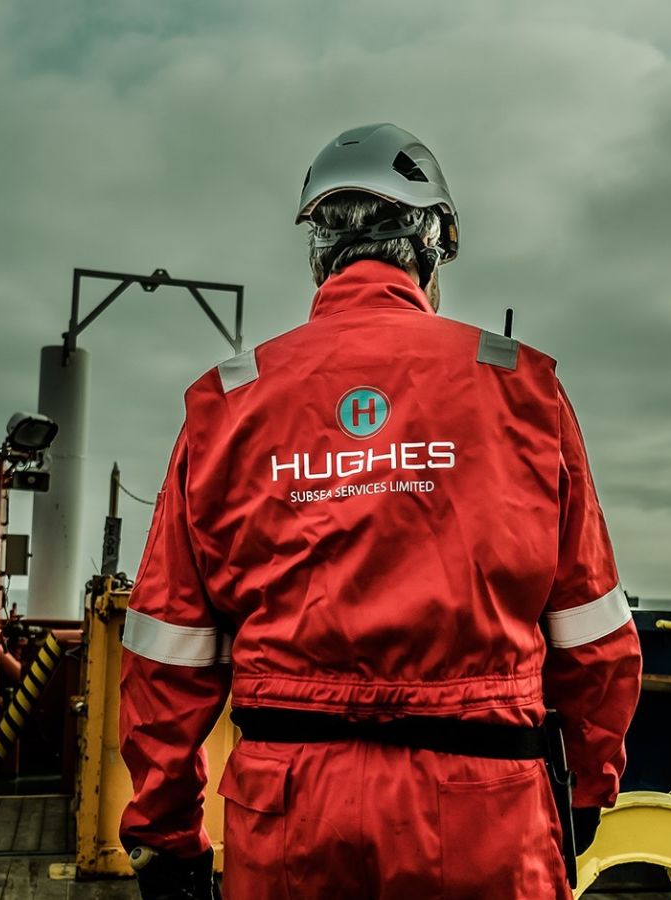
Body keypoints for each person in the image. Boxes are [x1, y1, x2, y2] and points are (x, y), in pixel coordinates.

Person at [118, 122, 642, 900]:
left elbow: (169, 650)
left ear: (319, 255)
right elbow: (591, 633)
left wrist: (165, 830)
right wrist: (590, 783)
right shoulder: (521, 389)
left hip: (287, 811)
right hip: (486, 804)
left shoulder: (228, 402)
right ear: (431, 248)